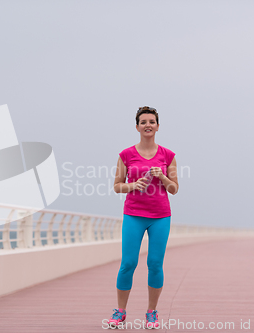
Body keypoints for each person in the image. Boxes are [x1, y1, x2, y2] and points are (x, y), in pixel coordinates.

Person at [107, 106, 179, 329]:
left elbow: (175, 189)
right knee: (128, 263)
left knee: (155, 264)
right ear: (137, 126)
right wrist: (132, 185)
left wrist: (164, 177)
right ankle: (120, 312)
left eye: (152, 121)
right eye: (143, 121)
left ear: (157, 126)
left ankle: (152, 312)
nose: (148, 125)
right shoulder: (126, 155)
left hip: (160, 216)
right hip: (133, 215)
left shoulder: (168, 155)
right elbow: (117, 186)